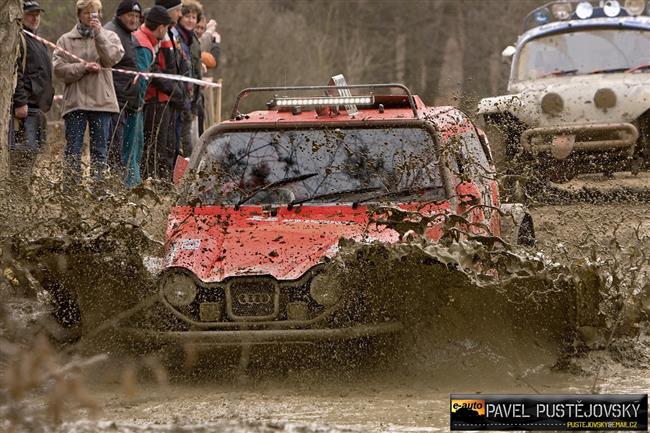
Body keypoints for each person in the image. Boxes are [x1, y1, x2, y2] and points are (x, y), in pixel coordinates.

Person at [52, 0, 125, 183]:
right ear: (79, 15)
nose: (91, 17)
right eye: (87, 13)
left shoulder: (110, 37)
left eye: (94, 13)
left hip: (102, 103)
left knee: (100, 152)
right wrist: (82, 67)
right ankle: (71, 193)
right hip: (75, 103)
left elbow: (112, 58)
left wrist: (99, 34)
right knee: (73, 151)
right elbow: (58, 69)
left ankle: (98, 193)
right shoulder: (65, 40)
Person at [124, 6, 172, 187]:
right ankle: (132, 186)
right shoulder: (144, 45)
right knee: (134, 148)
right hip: (134, 105)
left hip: (131, 102)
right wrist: (137, 105)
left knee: (137, 146)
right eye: (166, 28)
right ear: (161, 28)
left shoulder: (142, 39)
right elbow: (140, 81)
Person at [142, 0, 187, 181]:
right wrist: (173, 89)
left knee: (170, 147)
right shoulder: (156, 36)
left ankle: (166, 182)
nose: (181, 15)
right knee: (155, 148)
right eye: (178, 11)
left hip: (170, 99)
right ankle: (154, 182)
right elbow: (153, 69)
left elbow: (178, 65)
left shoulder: (171, 34)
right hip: (157, 99)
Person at [11, 0, 54, 185]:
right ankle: (15, 190)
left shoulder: (38, 40)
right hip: (24, 110)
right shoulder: (18, 38)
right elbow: (16, 72)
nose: (35, 17)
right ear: (21, 15)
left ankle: (23, 189)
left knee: (34, 151)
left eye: (37, 14)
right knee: (22, 152)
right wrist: (20, 102)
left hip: (38, 108)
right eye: (30, 14)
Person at [104, 0, 142, 171]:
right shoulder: (112, 32)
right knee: (111, 147)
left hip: (124, 101)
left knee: (118, 148)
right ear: (120, 15)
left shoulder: (128, 35)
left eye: (136, 16)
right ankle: (108, 187)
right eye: (130, 15)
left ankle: (116, 186)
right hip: (112, 101)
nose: (134, 19)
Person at [175, 0, 203, 156]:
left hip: (190, 98)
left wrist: (194, 103)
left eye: (194, 17)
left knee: (189, 141)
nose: (191, 20)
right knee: (178, 140)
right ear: (180, 17)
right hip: (177, 95)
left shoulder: (194, 40)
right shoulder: (176, 36)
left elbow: (197, 71)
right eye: (187, 16)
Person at [195, 16, 220, 136]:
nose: (199, 31)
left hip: (203, 89)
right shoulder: (194, 42)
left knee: (204, 122)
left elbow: (214, 62)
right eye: (197, 27)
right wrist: (209, 32)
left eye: (202, 28)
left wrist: (216, 45)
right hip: (191, 93)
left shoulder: (206, 43)